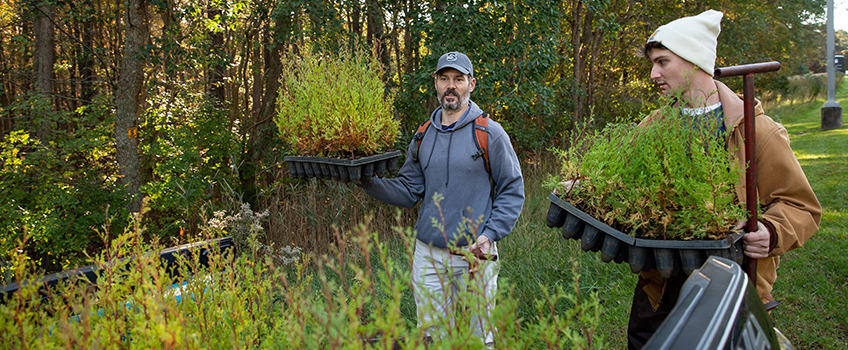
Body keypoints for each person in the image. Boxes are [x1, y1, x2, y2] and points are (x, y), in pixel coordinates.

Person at [628, 10, 822, 349]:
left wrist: (771, 231)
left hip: (734, 292)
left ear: (692, 61)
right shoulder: (652, 128)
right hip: (659, 290)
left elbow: (801, 206)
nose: (653, 74)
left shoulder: (756, 130)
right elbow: (618, 186)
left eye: (662, 62)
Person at [358, 51, 525, 345]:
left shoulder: (489, 133)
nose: (451, 86)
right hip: (428, 254)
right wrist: (366, 182)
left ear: (471, 84)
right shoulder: (423, 135)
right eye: (445, 78)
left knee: (479, 336)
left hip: (474, 252)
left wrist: (490, 235)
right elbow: (409, 191)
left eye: (458, 79)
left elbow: (512, 188)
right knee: (433, 336)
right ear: (435, 83)